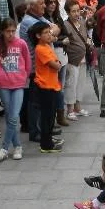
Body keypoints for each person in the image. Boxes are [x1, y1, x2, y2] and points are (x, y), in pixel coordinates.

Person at [0, 18, 31, 162]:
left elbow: (28, 61)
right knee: (9, 117)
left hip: (18, 84)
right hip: (3, 84)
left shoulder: (21, 43)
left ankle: (4, 148)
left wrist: (24, 76)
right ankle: (17, 146)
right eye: (7, 31)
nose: (11, 34)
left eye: (13, 31)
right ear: (2, 31)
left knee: (13, 116)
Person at [29, 22, 63, 154]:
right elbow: (56, 65)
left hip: (52, 85)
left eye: (49, 31)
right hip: (45, 86)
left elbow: (57, 62)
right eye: (45, 33)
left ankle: (48, 140)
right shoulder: (40, 49)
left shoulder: (47, 46)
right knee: (47, 117)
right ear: (38, 36)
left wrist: (57, 63)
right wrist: (57, 63)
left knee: (50, 116)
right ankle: (46, 144)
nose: (49, 34)